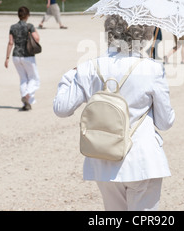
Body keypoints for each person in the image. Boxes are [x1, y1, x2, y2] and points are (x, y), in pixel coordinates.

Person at [53, 14, 175, 211]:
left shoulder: (89, 66)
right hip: (142, 159)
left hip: (104, 159)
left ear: (109, 31)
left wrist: (70, 74)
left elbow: (61, 108)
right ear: (144, 35)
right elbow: (165, 123)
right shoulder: (152, 69)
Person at [4, 6, 41, 111]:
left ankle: (26, 103)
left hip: (16, 56)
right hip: (28, 55)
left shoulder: (13, 27)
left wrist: (7, 58)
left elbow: (10, 42)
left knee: (23, 79)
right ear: (27, 15)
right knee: (34, 79)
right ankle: (27, 95)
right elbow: (37, 38)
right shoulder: (30, 26)